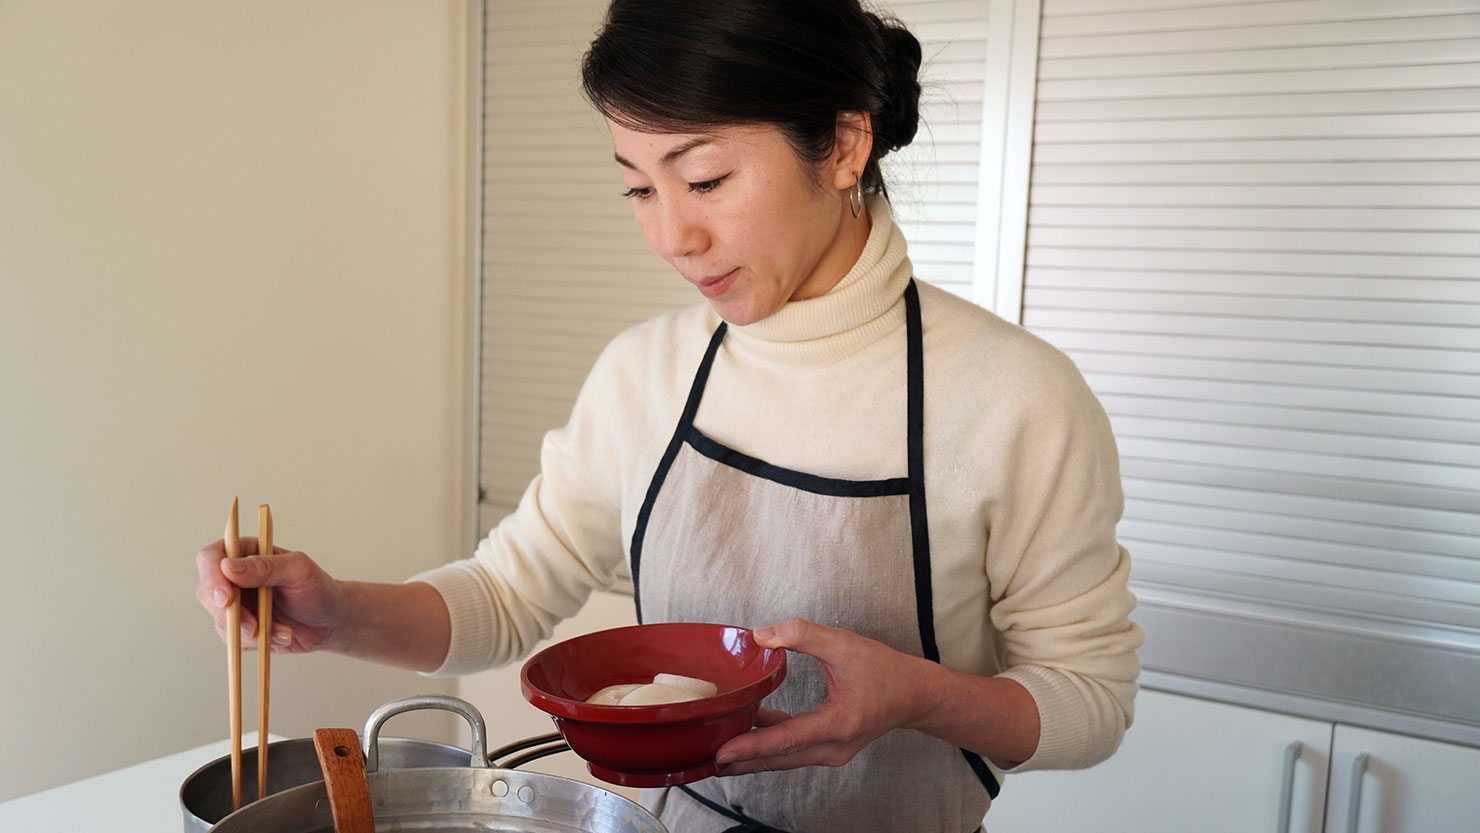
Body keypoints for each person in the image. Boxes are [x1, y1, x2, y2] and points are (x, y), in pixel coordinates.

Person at [194, 1, 1143, 830]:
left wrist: (920, 696)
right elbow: (507, 593)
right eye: (640, 188)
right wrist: (336, 611)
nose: (673, 237)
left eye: (706, 180)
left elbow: (1090, 699)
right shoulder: (645, 373)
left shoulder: (1014, 396)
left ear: (845, 146)